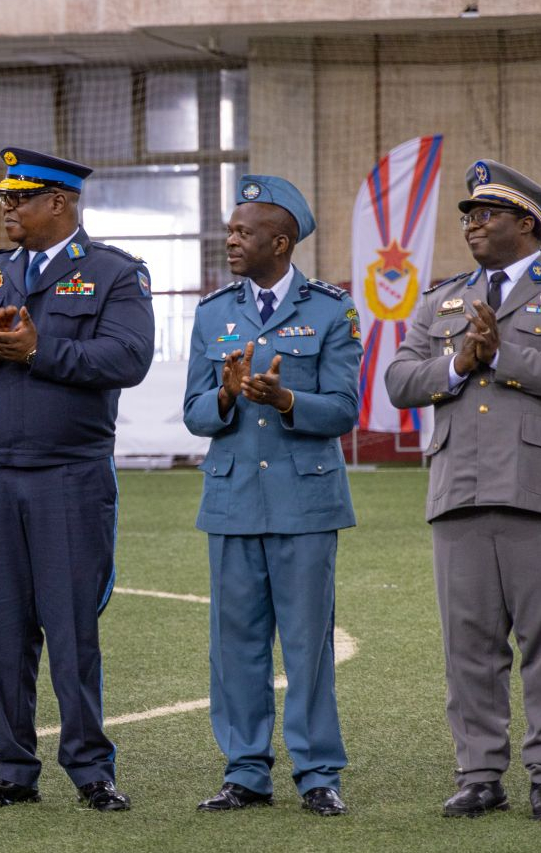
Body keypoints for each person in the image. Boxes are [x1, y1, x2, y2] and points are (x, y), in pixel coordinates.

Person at [0, 147, 153, 812]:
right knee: (0, 629)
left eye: (19, 198)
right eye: (4, 198)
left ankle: (90, 770)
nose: (7, 208)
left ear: (60, 202)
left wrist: (37, 351)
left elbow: (129, 355)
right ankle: (13, 769)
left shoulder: (113, 273)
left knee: (72, 627)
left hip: (71, 477)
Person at [385, 160, 541, 821]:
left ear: (526, 223)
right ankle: (479, 773)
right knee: (469, 647)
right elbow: (399, 379)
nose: (473, 224)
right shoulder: (443, 298)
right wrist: (458, 362)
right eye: (469, 215)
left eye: (487, 213)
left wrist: (503, 356)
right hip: (461, 492)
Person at [182, 175, 359, 817]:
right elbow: (195, 413)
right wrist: (227, 395)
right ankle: (245, 773)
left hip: (305, 506)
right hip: (232, 504)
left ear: (279, 242)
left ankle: (316, 773)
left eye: (243, 231)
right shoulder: (213, 314)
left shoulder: (330, 310)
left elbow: (343, 409)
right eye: (230, 229)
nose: (229, 239)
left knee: (307, 643)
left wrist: (285, 399)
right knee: (235, 647)